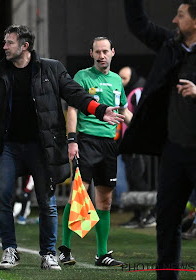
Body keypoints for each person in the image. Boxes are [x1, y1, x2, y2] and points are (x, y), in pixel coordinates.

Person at [0, 25, 124, 271]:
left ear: (25, 46)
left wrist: (100, 109)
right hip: (8, 147)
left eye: (9, 42)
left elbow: (76, 95)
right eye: (5, 42)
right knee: (0, 196)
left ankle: (49, 253)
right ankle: (9, 249)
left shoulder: (51, 69)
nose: (4, 47)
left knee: (47, 201)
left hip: (42, 147)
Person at [121, 1, 196, 279]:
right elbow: (139, 25)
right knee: (166, 222)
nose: (174, 21)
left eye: (180, 15)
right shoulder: (170, 44)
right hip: (173, 151)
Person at [59, 37, 132, 267]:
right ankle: (64, 249)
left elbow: (124, 111)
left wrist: (142, 130)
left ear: (113, 52)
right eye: (97, 52)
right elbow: (72, 109)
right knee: (78, 195)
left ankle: (102, 254)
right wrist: (72, 140)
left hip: (109, 144)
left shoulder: (117, 80)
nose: (101, 56)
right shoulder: (82, 76)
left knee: (106, 200)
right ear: (91, 53)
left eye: (105, 51)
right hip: (86, 141)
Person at [118, 66, 155, 228]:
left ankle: (151, 213)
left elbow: (142, 117)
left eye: (124, 78)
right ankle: (138, 215)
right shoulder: (128, 93)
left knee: (139, 179)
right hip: (129, 144)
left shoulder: (138, 91)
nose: (121, 82)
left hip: (137, 145)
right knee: (133, 180)